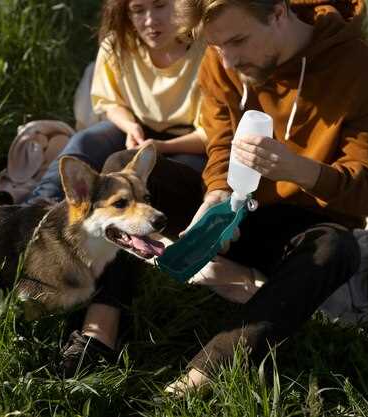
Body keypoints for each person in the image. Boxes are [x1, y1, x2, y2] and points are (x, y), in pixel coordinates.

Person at [153, 0, 368, 394]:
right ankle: (97, 325)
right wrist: (215, 195)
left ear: (279, 13)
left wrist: (298, 169)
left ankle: (213, 366)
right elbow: (219, 146)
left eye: (238, 40)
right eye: (217, 47)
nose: (229, 61)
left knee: (336, 250)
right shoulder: (221, 62)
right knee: (136, 173)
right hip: (238, 209)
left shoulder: (358, 67)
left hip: (304, 223)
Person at [21, 0, 219, 376]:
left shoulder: (205, 46)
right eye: (137, 10)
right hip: (135, 130)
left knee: (137, 191)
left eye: (160, 7)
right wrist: (129, 126)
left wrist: (160, 149)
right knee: (83, 142)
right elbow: (108, 100)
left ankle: (106, 314)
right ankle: (33, 221)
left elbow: (214, 132)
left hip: (187, 145)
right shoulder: (118, 43)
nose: (149, 20)